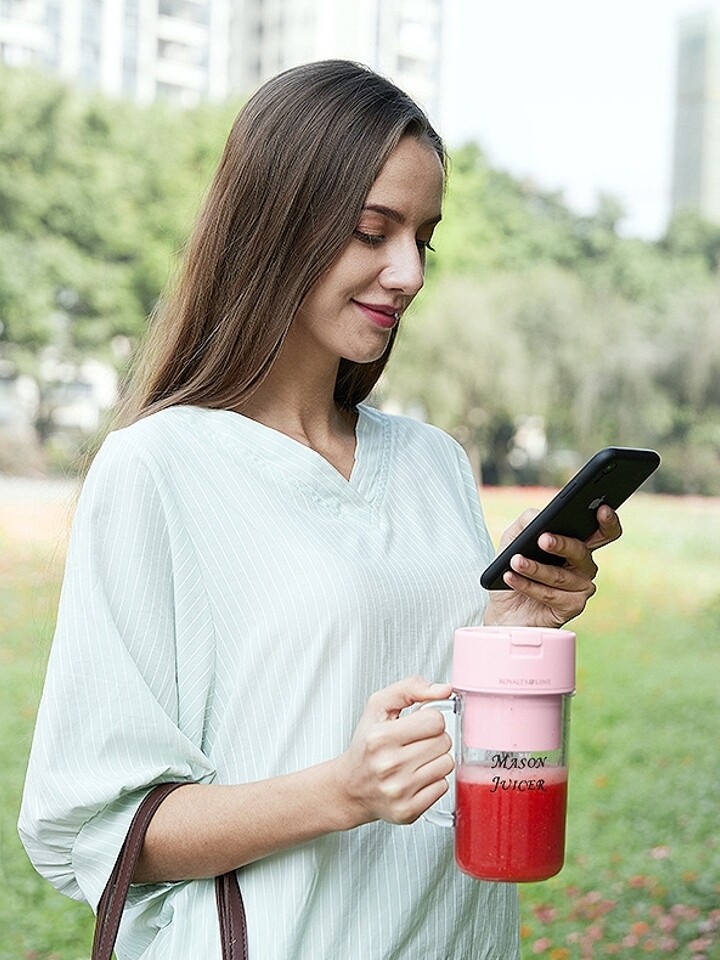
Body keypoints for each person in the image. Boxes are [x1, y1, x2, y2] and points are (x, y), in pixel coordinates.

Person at [18, 60, 621, 960]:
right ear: (275, 225)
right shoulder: (158, 468)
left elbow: (446, 731)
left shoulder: (433, 462)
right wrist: (341, 790)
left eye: (424, 238)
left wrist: (512, 628)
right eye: (372, 231)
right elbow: (101, 831)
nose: (408, 273)